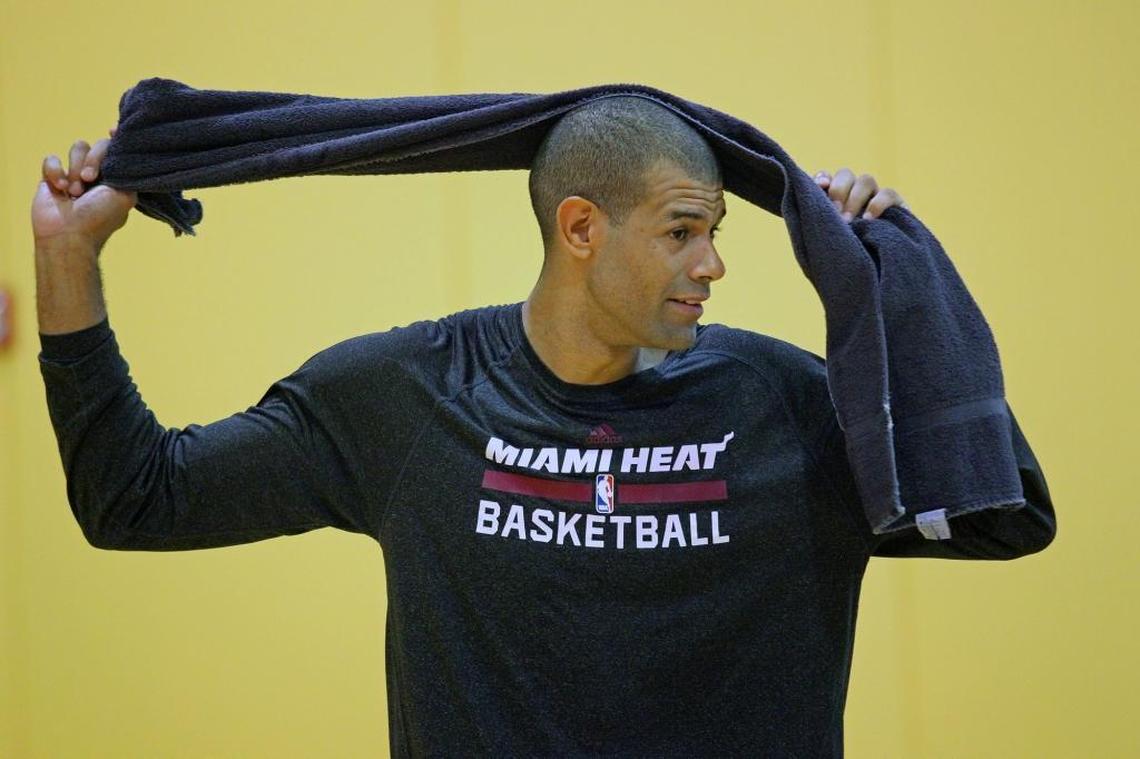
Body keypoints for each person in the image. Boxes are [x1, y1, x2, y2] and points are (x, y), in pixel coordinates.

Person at [32, 98, 1056, 757]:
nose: (713, 266)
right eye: (681, 232)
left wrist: (895, 285)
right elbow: (137, 498)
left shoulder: (784, 403)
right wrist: (68, 261)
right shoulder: (406, 395)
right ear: (579, 229)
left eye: (715, 234)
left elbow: (1002, 515)